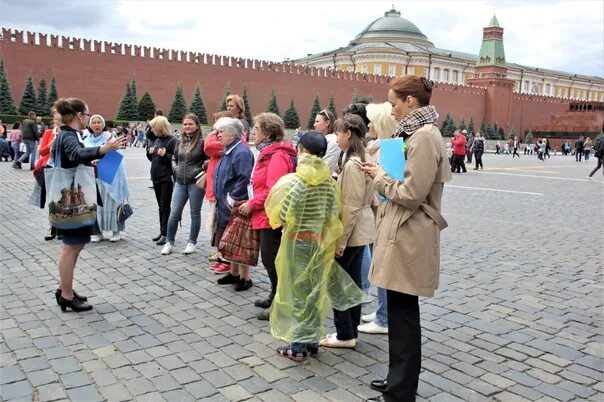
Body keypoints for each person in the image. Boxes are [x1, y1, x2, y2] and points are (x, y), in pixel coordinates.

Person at [361, 76, 451, 402]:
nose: (393, 110)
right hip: (401, 230)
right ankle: (396, 380)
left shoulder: (425, 136)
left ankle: (401, 392)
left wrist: (379, 176)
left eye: (395, 103)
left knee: (404, 317)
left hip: (410, 234)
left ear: (410, 101)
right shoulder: (412, 133)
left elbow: (411, 194)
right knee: (399, 314)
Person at [265, 131, 363, 362]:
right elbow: (332, 214)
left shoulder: (297, 181)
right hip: (319, 244)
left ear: (303, 152)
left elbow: (284, 212)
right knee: (314, 292)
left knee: (299, 293)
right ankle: (310, 340)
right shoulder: (329, 182)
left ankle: (298, 346)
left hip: (298, 243)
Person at [52, 98, 126, 312]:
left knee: (76, 244)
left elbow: (73, 158)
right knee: (71, 246)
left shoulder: (68, 134)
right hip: (72, 199)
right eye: (86, 114)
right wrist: (102, 149)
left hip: (72, 196)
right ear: (78, 116)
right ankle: (66, 295)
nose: (87, 118)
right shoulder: (68, 135)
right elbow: (75, 154)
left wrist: (88, 161)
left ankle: (64, 288)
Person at [319, 114, 374, 349]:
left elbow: (350, 207)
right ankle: (350, 331)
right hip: (363, 229)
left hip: (352, 233)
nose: (336, 137)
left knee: (338, 283)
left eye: (339, 133)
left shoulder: (352, 165)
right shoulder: (364, 156)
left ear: (348, 134)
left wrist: (339, 243)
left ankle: (344, 334)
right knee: (351, 283)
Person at [238, 113, 297, 320]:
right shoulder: (268, 152)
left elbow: (275, 190)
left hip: (271, 216)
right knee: (270, 259)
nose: (253, 131)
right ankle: (275, 295)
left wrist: (252, 204)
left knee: (272, 260)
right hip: (264, 214)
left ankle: (282, 304)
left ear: (268, 132)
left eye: (256, 128)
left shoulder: (277, 155)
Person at [358, 102, 397, 336]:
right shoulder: (382, 145)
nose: (369, 124)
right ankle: (382, 310)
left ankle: (384, 318)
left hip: (385, 212)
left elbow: (388, 189)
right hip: (380, 212)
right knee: (380, 265)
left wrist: (373, 174)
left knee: (384, 266)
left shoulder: (390, 148)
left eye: (372, 120)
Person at [213, 117, 255, 291]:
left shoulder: (241, 152)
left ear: (232, 134)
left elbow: (244, 177)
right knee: (230, 239)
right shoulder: (230, 149)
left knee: (239, 241)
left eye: (221, 132)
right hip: (225, 203)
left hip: (235, 203)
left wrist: (233, 198)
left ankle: (245, 278)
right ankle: (234, 272)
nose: (218, 135)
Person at [161, 114, 208, 255]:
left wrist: (200, 169)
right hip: (180, 182)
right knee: (174, 213)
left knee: (195, 214)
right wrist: (175, 169)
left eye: (190, 124)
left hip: (195, 183)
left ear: (197, 126)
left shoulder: (203, 142)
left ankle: (192, 242)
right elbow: (174, 158)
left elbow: (209, 160)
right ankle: (169, 242)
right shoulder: (179, 141)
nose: (187, 126)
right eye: (185, 124)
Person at [84, 115, 130, 243]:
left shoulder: (110, 138)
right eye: (94, 122)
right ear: (90, 125)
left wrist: (102, 161)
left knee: (112, 203)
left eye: (99, 122)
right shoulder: (86, 139)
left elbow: (118, 156)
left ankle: (116, 231)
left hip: (109, 176)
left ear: (103, 125)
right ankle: (97, 232)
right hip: (92, 176)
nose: (96, 124)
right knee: (95, 205)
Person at [147, 115, 177, 245]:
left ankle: (166, 233)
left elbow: (176, 159)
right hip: (156, 177)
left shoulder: (172, 141)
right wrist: (149, 153)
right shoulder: (157, 140)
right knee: (160, 206)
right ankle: (162, 230)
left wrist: (166, 155)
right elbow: (153, 158)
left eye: (153, 127)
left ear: (159, 127)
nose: (151, 129)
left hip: (166, 177)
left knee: (165, 206)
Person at [205, 111, 229, 270]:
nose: (218, 134)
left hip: (225, 191)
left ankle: (225, 257)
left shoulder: (237, 143)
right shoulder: (215, 134)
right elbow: (207, 146)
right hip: (214, 186)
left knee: (223, 224)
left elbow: (212, 146)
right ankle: (220, 253)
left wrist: (220, 146)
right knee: (216, 223)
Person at [34, 109, 61, 240]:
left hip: (63, 169)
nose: (58, 122)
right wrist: (51, 144)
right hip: (49, 169)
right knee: (52, 199)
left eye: (61, 120)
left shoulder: (69, 134)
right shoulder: (49, 133)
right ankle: (52, 227)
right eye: (56, 119)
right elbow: (41, 152)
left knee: (63, 198)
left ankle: (62, 228)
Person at [313, 109, 339, 175]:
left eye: (317, 122)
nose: (314, 125)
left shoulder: (333, 142)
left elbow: (326, 167)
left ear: (327, 123)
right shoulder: (321, 140)